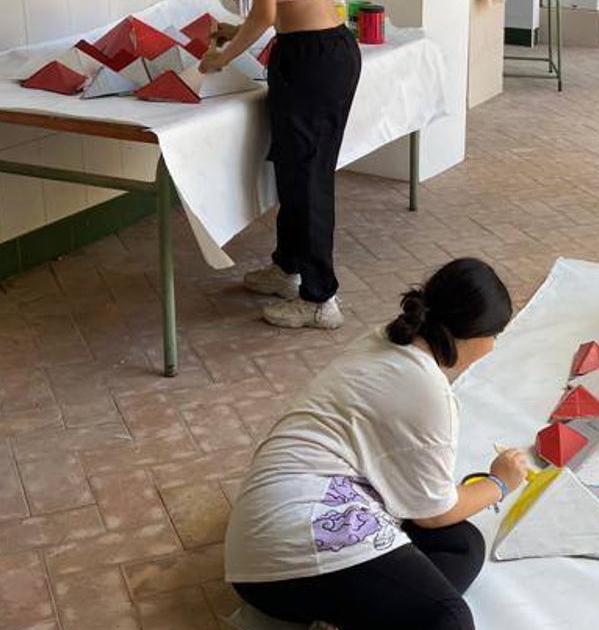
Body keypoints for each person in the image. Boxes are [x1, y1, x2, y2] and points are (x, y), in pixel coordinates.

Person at [225, 258, 527, 630]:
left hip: (266, 531)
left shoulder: (386, 339)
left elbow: (429, 514)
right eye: (495, 335)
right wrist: (499, 484)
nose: (494, 347)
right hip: (285, 560)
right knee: (449, 618)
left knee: (462, 544)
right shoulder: (428, 391)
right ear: (473, 334)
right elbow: (434, 512)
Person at [181, 0, 360, 329]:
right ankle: (289, 268)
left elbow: (262, 16)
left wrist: (220, 55)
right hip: (322, 51)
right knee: (294, 169)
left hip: (310, 58)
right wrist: (228, 27)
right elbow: (280, 4)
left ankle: (319, 299)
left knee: (308, 178)